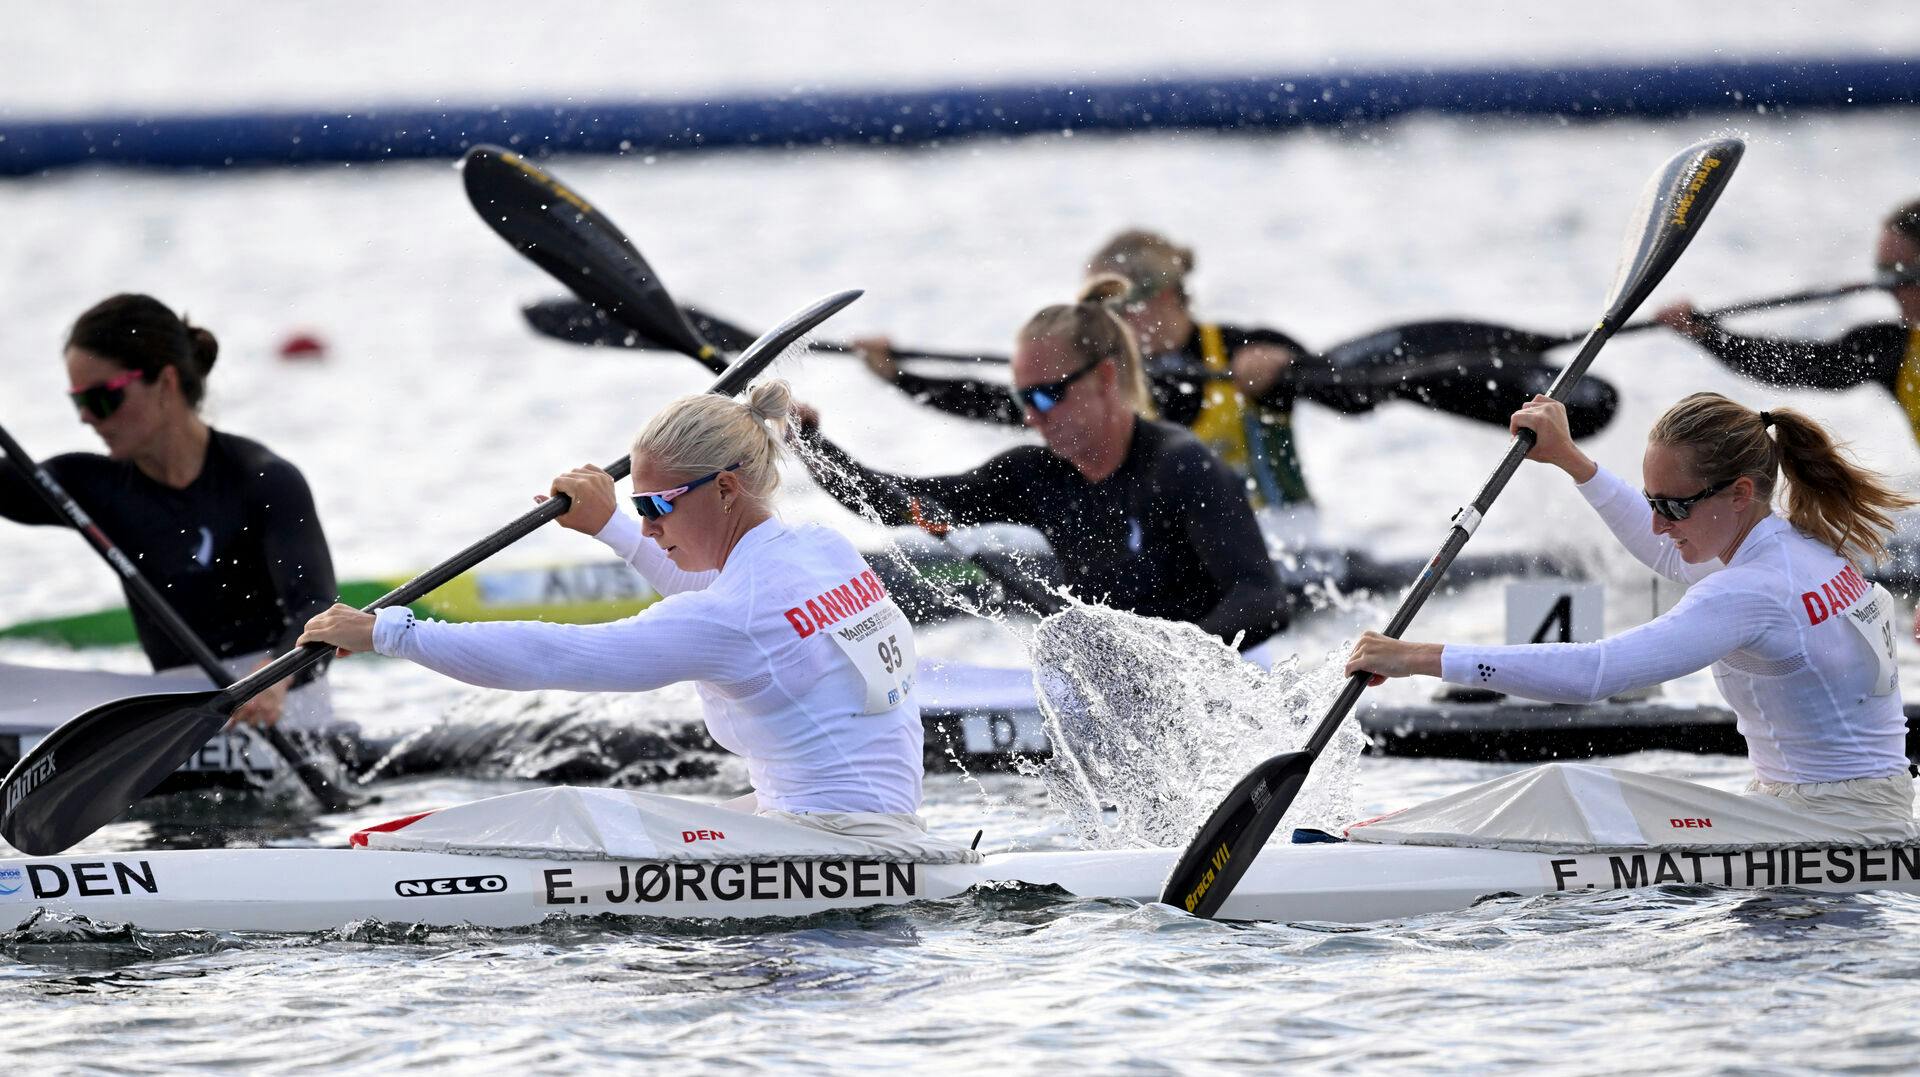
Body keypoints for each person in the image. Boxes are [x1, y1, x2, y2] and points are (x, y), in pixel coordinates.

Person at [300, 383, 944, 837]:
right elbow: (712, 601)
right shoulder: (822, 550)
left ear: (725, 487)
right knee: (606, 818)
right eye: (637, 507)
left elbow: (552, 657)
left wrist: (390, 633)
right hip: (871, 826)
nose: (649, 525)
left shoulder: (735, 615)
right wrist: (609, 526)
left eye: (655, 505)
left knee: (561, 821)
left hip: (839, 843)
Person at [1346, 392, 1918, 838]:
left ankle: (1378, 847)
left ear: (1740, 493)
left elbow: (1597, 674)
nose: (1659, 524)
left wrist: (1417, 657)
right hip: (1860, 810)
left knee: (1560, 792)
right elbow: (1668, 553)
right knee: (1572, 794)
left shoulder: (1748, 591)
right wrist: (1572, 460)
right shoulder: (1803, 544)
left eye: (1673, 506)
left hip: (1828, 829)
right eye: (1651, 502)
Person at [801, 291, 1292, 656]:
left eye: (1046, 395)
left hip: (1220, 675)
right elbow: (896, 503)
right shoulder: (1033, 476)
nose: (1032, 417)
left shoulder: (1181, 465)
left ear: (1104, 378)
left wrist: (1171, 663)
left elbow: (1264, 599)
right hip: (1125, 688)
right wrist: (807, 443)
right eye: (1022, 398)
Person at [0, 294, 337, 727]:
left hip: (283, 710)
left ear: (165, 383)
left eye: (101, 399)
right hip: (177, 715)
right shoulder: (90, 486)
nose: (87, 418)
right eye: (78, 402)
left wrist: (275, 677)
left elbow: (317, 607)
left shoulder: (265, 480)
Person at [855, 230, 1332, 516]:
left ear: (1163, 297)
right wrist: (902, 377)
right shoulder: (1109, 376)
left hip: (1287, 536)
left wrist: (1286, 369)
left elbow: (1350, 393)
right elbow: (1007, 404)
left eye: (1110, 308)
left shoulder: (1241, 349)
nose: (1098, 324)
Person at [1654, 198, 1920, 440]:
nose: (1886, 287)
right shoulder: (1891, 348)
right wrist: (1706, 334)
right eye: (1881, 271)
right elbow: (1794, 364)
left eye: (1899, 272)